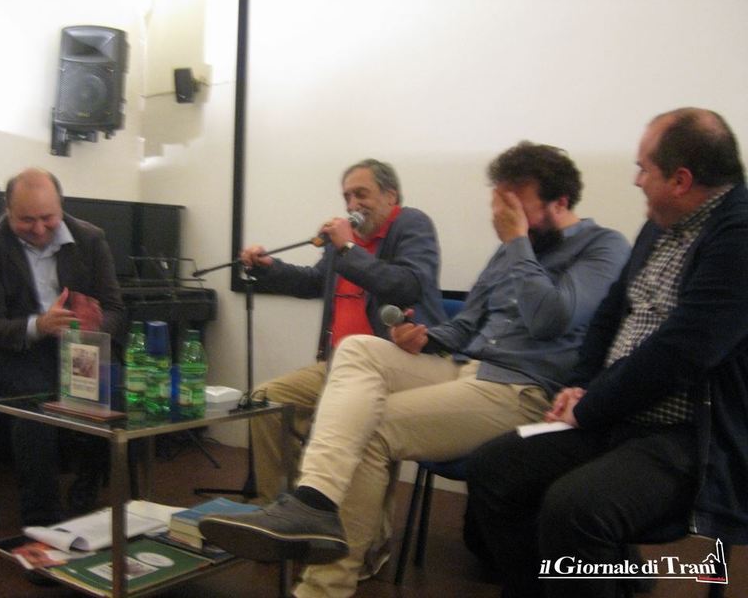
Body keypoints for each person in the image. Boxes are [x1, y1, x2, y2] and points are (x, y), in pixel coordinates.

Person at [199, 142, 631, 597]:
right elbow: (467, 324)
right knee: (360, 348)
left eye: (513, 205)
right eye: (498, 203)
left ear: (559, 202)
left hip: (524, 389)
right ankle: (311, 503)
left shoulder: (602, 246)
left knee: (372, 429)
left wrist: (516, 242)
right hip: (466, 367)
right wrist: (428, 337)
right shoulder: (511, 250)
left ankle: (324, 587)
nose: (500, 215)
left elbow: (550, 318)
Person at [461, 108, 748, 598]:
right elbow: (611, 313)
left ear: (680, 180)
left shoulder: (738, 236)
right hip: (619, 413)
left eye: (643, 169)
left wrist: (591, 406)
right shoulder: (661, 223)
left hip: (691, 436)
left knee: (575, 509)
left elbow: (683, 352)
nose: (636, 180)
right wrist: (580, 385)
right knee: (493, 468)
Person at [241, 158, 445, 504]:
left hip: (389, 368)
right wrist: (268, 267)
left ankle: (349, 528)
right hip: (336, 365)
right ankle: (279, 508)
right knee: (266, 400)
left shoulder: (411, 224)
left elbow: (406, 285)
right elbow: (313, 282)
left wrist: (348, 248)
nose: (352, 205)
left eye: (361, 194)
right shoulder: (346, 241)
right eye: (347, 197)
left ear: (390, 195)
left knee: (352, 428)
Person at [0, 167, 126, 526]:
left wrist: (94, 327)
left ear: (61, 207)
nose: (39, 229)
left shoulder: (90, 238)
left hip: (78, 347)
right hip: (17, 352)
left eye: (48, 218)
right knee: (33, 405)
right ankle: (42, 521)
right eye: (26, 220)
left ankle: (89, 486)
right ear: (7, 210)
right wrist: (40, 325)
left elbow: (115, 308)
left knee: (118, 393)